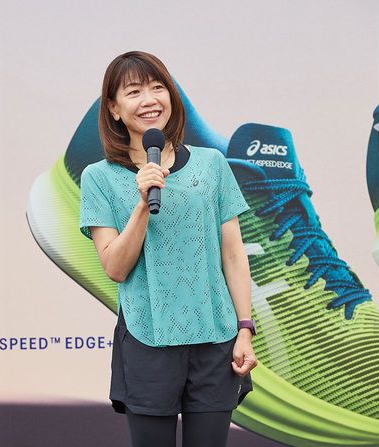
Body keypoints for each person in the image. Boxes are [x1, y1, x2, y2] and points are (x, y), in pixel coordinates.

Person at [78, 50, 257, 447]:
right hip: (148, 339)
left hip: (216, 339)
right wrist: (143, 204)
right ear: (113, 109)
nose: (149, 100)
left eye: (158, 88)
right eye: (134, 92)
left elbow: (232, 254)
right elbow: (115, 267)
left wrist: (245, 329)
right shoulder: (99, 178)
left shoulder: (211, 164)